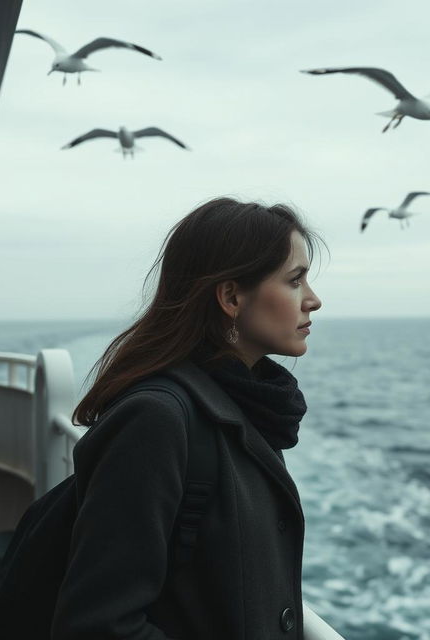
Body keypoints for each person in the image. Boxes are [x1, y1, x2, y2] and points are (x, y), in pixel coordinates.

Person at [53, 197, 324, 639]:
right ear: (232, 297)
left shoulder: (246, 404)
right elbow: (98, 626)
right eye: (295, 280)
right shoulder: (156, 420)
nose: (313, 300)